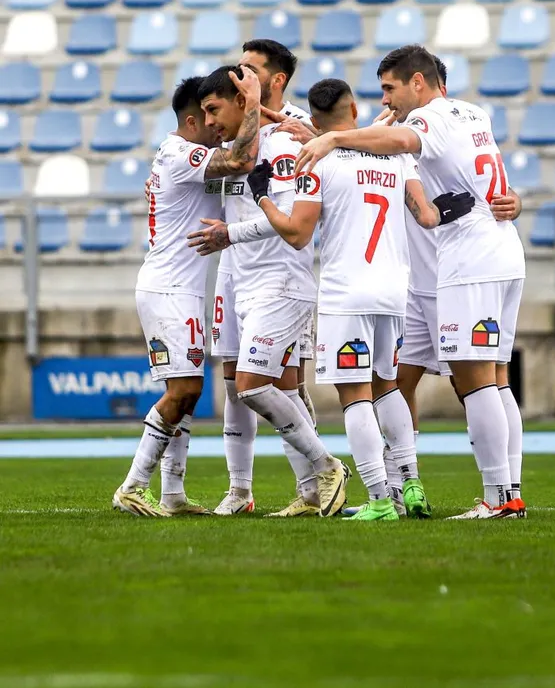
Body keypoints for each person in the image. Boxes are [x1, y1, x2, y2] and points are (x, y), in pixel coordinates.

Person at [295, 46, 527, 520]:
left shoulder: (425, 122)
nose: (386, 99)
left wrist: (333, 139)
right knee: (464, 379)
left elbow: (400, 140)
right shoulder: (473, 113)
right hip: (489, 256)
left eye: (390, 88)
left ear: (417, 82)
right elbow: (480, 180)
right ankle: (444, 490)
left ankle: (500, 497)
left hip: (467, 262)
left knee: (476, 380)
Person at [244, 78, 474, 520]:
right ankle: (411, 484)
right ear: (353, 110)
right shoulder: (395, 155)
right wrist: (451, 208)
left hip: (347, 293)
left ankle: (380, 500)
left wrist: (263, 198)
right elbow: (427, 216)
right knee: (388, 386)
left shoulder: (316, 161)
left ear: (314, 121)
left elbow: (297, 234)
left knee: (355, 394)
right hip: (394, 291)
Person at [189, 66, 349, 519]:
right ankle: (309, 492)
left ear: (246, 98)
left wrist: (229, 234)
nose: (210, 122)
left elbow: (289, 220)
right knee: (268, 387)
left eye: (214, 109)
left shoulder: (283, 144)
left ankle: (327, 466)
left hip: (280, 282)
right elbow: (211, 185)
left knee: (252, 385)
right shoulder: (237, 149)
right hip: (243, 284)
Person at [112, 72, 261, 517]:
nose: (217, 126)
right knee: (184, 390)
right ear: (192, 120)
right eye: (209, 116)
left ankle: (172, 493)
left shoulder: (181, 159)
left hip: (181, 289)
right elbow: (238, 160)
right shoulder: (181, 154)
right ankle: (132, 485)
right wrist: (253, 104)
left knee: (188, 393)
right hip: (169, 289)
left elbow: (232, 175)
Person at [209, 40, 318, 516]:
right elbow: (224, 170)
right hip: (233, 269)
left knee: (284, 382)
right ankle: (239, 490)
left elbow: (295, 212)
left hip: (279, 272)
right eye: (238, 68)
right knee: (233, 381)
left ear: (277, 79)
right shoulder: (233, 122)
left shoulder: (296, 130)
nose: (240, 76)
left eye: (250, 70)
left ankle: (313, 487)